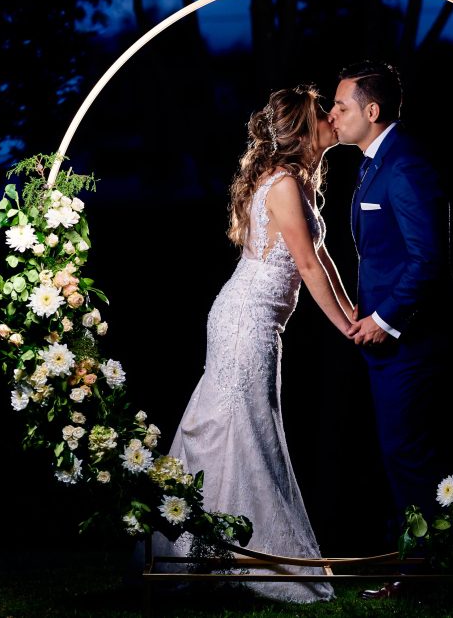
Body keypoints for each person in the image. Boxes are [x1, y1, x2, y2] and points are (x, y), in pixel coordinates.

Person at [152, 84, 355, 603]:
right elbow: (306, 265)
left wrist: (352, 311)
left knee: (236, 431)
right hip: (246, 321)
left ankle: (208, 555)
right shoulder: (283, 184)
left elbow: (322, 258)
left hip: (252, 320)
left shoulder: (295, 181)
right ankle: (247, 563)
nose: (332, 118)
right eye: (323, 113)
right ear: (304, 130)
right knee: (247, 433)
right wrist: (345, 327)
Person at [328, 60, 453, 600]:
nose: (332, 115)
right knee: (401, 453)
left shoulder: (405, 164)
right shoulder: (373, 164)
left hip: (415, 342)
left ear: (372, 110)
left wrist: (385, 320)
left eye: (341, 106)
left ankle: (424, 577)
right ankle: (424, 570)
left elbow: (427, 258)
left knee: (410, 454)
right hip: (392, 345)